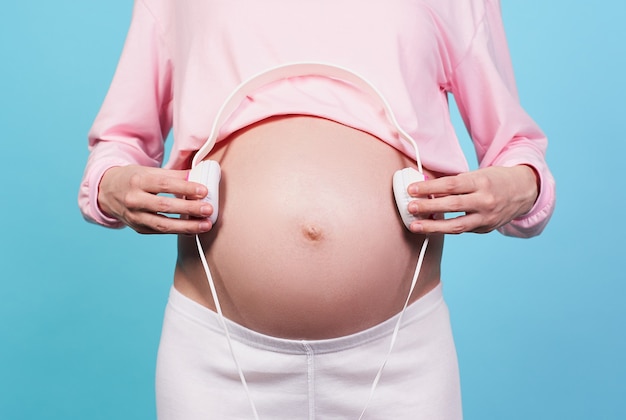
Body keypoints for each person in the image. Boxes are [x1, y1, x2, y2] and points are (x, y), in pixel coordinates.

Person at [78, 0, 555, 418]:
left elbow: (515, 148)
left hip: (401, 360)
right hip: (217, 360)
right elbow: (118, 145)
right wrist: (112, 185)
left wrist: (521, 185)